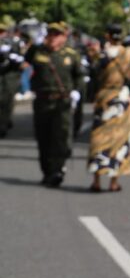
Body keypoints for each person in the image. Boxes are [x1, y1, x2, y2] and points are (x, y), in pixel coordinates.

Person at [24, 22, 84, 187]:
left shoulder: (71, 54)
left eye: (56, 34)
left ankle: (58, 170)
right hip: (42, 101)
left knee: (61, 137)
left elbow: (79, 75)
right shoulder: (38, 51)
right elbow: (25, 60)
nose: (52, 37)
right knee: (43, 137)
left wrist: (76, 91)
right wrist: (34, 42)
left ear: (64, 37)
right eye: (50, 34)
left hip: (62, 101)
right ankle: (47, 171)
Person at [87, 25, 130, 192]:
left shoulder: (102, 54)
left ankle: (97, 180)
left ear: (107, 36)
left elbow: (94, 73)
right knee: (120, 140)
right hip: (123, 96)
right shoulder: (129, 53)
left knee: (99, 138)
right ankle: (114, 181)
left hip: (105, 96)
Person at [0, 16, 26, 137]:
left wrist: (12, 56)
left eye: (2, 32)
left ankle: (3, 125)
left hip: (10, 75)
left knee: (7, 100)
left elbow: (22, 60)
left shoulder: (14, 42)